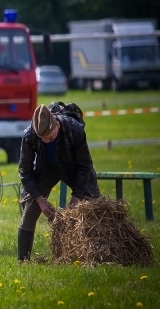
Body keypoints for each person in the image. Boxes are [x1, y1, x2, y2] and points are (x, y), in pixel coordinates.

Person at [17, 104, 101, 262]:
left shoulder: (74, 129)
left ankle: (98, 254)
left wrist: (77, 198)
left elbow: (85, 166)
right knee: (30, 210)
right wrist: (41, 201)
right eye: (43, 139)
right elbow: (24, 172)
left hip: (74, 169)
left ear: (57, 124)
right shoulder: (29, 135)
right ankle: (23, 260)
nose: (46, 141)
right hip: (45, 170)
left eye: (50, 137)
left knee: (94, 205)